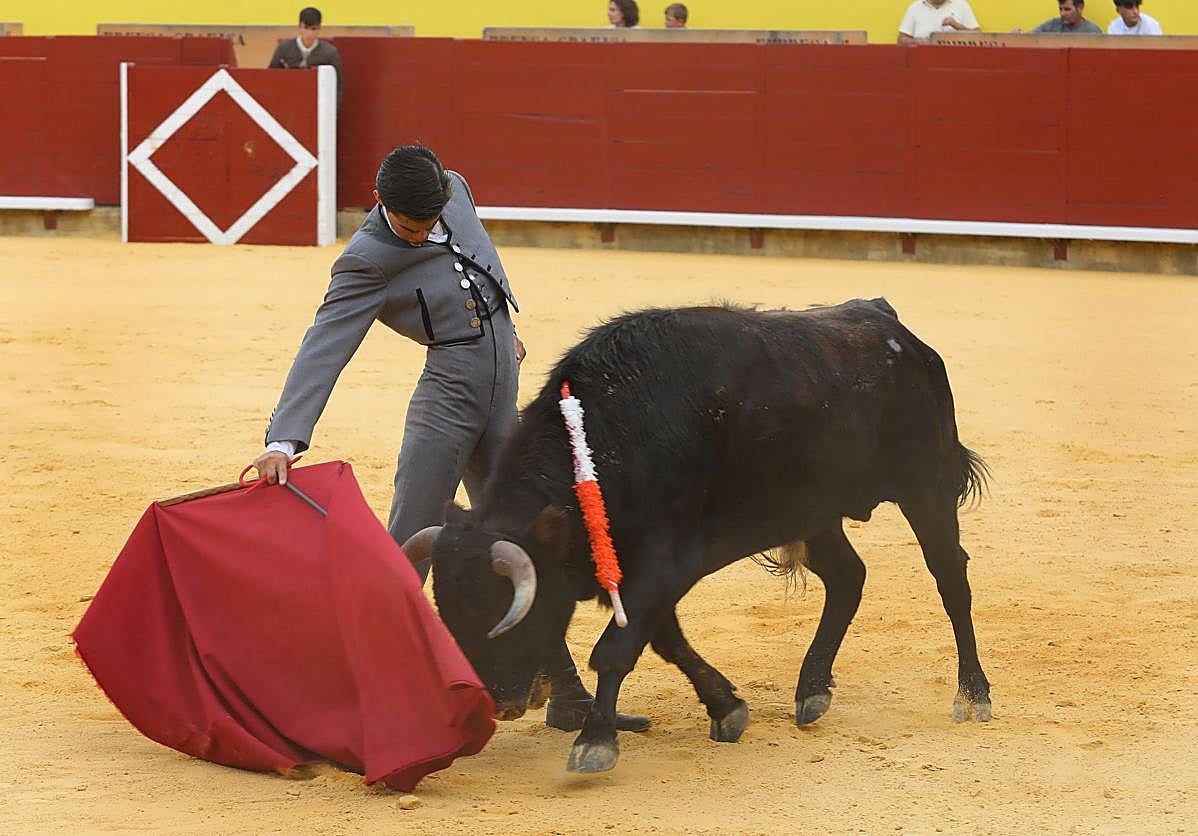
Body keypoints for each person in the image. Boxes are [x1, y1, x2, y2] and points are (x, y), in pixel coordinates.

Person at [252, 144, 648, 734]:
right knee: (409, 540)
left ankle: (565, 693)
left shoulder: (452, 188)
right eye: (413, 227)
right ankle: (361, 691)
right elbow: (325, 343)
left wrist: (500, 322)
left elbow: (480, 252)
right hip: (448, 397)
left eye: (432, 220)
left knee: (523, 538)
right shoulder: (365, 261)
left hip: (501, 387)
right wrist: (285, 439)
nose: (424, 233)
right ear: (381, 201)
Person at [268, 7, 343, 102]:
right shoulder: (284, 49)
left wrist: (332, 109)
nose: (309, 33)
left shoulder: (330, 53)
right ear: (299, 27)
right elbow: (271, 77)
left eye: (313, 29)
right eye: (306, 28)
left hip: (318, 101)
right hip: (288, 99)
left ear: (320, 29)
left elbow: (337, 86)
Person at [898, 0, 980, 43]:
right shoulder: (915, 7)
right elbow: (901, 40)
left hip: (956, 62)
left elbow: (979, 37)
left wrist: (958, 26)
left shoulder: (961, 5)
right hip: (922, 62)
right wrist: (918, 42)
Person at [1029, 0, 1103, 33]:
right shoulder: (1052, 25)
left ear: (1080, 8)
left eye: (1067, 9)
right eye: (1060, 9)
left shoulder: (1092, 31)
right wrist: (1020, 35)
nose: (1062, 13)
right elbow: (1030, 37)